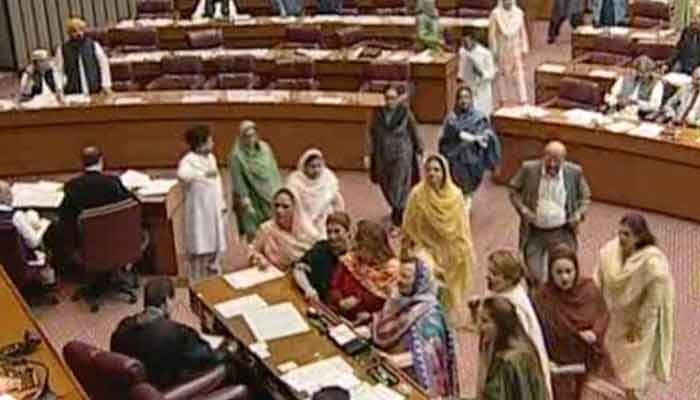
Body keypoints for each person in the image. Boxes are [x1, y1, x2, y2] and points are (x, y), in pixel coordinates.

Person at [594, 214, 674, 400]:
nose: (621, 238)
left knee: (634, 373)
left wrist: (638, 326)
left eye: (627, 234)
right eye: (620, 233)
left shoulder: (653, 265)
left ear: (638, 237)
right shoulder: (609, 253)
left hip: (638, 326)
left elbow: (653, 301)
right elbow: (598, 279)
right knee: (613, 365)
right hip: (614, 319)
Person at [111, 278, 243, 389]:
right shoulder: (177, 333)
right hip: (170, 388)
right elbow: (209, 358)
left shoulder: (124, 326)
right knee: (234, 365)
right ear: (167, 300)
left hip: (140, 388)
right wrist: (228, 349)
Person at [532, 245, 617, 400]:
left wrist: (595, 333)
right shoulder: (542, 297)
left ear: (576, 270)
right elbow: (535, 330)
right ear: (550, 272)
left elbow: (602, 315)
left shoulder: (589, 290)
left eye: (568, 271)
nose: (564, 277)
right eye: (559, 272)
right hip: (559, 367)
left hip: (588, 363)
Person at [402, 154, 475, 322]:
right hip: (425, 249)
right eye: (428, 170)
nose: (432, 174)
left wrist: (463, 251)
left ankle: (444, 319)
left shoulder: (455, 196)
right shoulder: (417, 195)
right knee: (427, 281)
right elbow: (409, 226)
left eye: (436, 170)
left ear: (444, 173)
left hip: (450, 251)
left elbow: (462, 228)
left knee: (447, 295)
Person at [371, 257, 458, 397]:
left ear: (419, 282)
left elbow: (429, 357)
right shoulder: (401, 299)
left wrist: (394, 360)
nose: (398, 280)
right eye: (399, 274)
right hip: (390, 370)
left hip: (415, 382)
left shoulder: (430, 317)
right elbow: (386, 323)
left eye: (405, 276)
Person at [508, 141, 591, 286]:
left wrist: (578, 214)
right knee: (534, 275)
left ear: (563, 160)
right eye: (548, 160)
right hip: (534, 232)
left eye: (556, 161)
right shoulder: (529, 169)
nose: (552, 165)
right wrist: (523, 209)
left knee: (561, 273)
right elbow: (513, 190)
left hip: (562, 232)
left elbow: (585, 197)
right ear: (543, 157)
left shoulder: (574, 172)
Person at [476, 249, 553, 399]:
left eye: (494, 273)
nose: (487, 276)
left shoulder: (517, 308)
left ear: (509, 279)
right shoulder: (495, 296)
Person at [57, 146, 136, 274]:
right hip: (115, 242)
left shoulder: (73, 186)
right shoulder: (112, 183)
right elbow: (133, 205)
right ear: (101, 161)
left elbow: (64, 219)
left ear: (82, 163)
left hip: (86, 246)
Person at [366, 86, 423, 227]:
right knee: (385, 183)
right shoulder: (377, 114)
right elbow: (370, 134)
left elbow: (414, 130)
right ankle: (396, 207)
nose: (390, 101)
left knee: (399, 183)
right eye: (387, 98)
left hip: (402, 152)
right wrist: (368, 154)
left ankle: (399, 211)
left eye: (393, 98)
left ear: (398, 99)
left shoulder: (405, 113)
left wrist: (420, 148)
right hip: (382, 154)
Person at [177, 125, 228, 281]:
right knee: (201, 242)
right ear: (201, 143)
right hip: (199, 210)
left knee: (216, 240)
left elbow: (217, 182)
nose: (213, 143)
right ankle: (197, 277)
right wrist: (202, 174)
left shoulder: (211, 158)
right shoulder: (188, 160)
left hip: (214, 206)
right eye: (209, 140)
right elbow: (183, 175)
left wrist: (222, 203)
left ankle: (213, 267)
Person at [476, 297, 549, 400]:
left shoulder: (509, 361)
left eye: (485, 321)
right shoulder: (526, 348)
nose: (479, 327)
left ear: (501, 323)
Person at [328, 220, 399, 322]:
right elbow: (334, 285)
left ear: (373, 247)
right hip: (336, 315)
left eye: (361, 247)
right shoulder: (351, 259)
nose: (356, 251)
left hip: (366, 325)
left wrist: (370, 316)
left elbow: (391, 309)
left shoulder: (391, 271)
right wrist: (339, 300)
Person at [439, 86, 501, 199]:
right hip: (456, 161)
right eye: (461, 98)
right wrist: (473, 138)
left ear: (471, 99)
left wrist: (485, 137)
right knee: (458, 192)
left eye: (466, 97)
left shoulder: (479, 117)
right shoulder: (451, 118)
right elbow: (451, 135)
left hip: (474, 162)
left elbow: (486, 134)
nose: (464, 101)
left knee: (469, 193)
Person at [229, 120, 282, 242]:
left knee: (274, 231)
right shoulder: (237, 156)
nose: (250, 139)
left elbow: (273, 171)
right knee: (255, 234)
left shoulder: (265, 148)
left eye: (253, 135)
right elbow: (238, 180)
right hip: (252, 199)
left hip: (270, 195)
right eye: (247, 136)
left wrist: (279, 192)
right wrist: (245, 200)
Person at [250, 188, 320, 271]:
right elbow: (252, 251)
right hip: (275, 275)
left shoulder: (309, 232)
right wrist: (259, 259)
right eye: (276, 205)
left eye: (285, 207)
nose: (279, 210)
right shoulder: (266, 229)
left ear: (295, 209)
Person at [0, 181, 55, 286]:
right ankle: (48, 281)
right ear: (5, 196)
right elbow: (34, 243)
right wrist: (43, 226)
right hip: (21, 263)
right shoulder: (16, 216)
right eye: (9, 193)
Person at [293, 211, 351, 302]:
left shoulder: (354, 258)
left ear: (348, 232)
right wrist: (308, 289)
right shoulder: (321, 247)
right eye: (329, 232)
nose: (332, 237)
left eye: (337, 231)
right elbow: (298, 268)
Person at [286, 149, 345, 236]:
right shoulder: (295, 181)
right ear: (304, 167)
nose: (316, 170)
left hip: (324, 221)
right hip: (301, 221)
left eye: (319, 166)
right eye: (312, 166)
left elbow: (337, 201)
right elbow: (293, 206)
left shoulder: (328, 178)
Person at [55, 18, 111, 96]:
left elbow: (103, 65)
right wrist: (59, 88)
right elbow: (58, 71)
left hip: (95, 89)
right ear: (69, 33)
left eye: (81, 29)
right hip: (74, 92)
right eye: (74, 31)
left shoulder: (93, 45)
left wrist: (106, 84)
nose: (78, 33)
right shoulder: (62, 49)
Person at [489, 0, 529, 106]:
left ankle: (523, 99)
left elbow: (522, 32)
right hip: (502, 49)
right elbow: (492, 35)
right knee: (501, 75)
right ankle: (503, 99)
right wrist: (494, 50)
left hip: (515, 49)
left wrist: (524, 48)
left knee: (519, 73)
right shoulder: (495, 14)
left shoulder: (519, 13)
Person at [605, 55, 664, 120]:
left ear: (651, 72)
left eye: (644, 73)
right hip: (619, 111)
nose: (640, 75)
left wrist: (636, 102)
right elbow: (610, 96)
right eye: (638, 72)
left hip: (642, 115)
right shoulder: (624, 78)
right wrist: (617, 101)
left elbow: (655, 106)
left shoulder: (657, 84)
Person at [458, 35, 497, 116]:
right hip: (469, 87)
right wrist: (460, 76)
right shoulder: (462, 51)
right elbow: (461, 67)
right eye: (463, 43)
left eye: (466, 42)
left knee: (482, 113)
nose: (465, 45)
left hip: (482, 89)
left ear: (473, 40)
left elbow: (492, 73)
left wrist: (481, 73)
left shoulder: (485, 53)